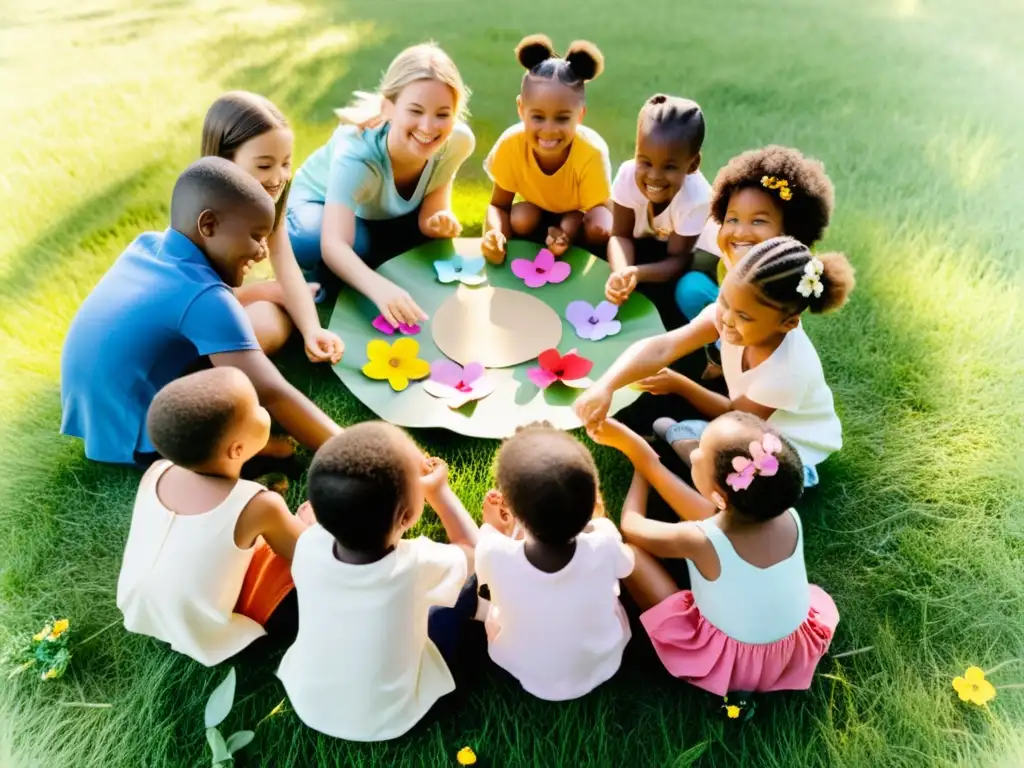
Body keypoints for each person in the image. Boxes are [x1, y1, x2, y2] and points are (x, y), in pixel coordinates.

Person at [60, 157, 341, 465]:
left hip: (97, 418)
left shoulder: (149, 245)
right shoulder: (204, 296)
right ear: (208, 225)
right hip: (144, 435)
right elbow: (272, 392)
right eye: (255, 236)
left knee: (258, 331)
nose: (262, 251)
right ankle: (244, 453)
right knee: (256, 417)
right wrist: (349, 448)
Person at [588, 413, 838, 696]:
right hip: (789, 651)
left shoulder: (698, 540)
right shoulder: (787, 515)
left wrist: (641, 464)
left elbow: (631, 526)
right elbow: (713, 516)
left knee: (629, 554)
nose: (693, 454)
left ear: (719, 497)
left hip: (732, 663)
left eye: (699, 452)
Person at [576, 236, 855, 487]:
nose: (726, 319)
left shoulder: (787, 373)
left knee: (720, 468)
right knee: (695, 442)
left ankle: (676, 450)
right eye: (724, 300)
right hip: (747, 420)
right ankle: (678, 435)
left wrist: (680, 384)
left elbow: (735, 416)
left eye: (744, 316)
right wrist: (606, 386)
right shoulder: (728, 314)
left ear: (788, 323)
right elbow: (664, 347)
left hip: (786, 448)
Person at [277, 423, 481, 742]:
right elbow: (473, 550)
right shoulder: (416, 565)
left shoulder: (307, 544)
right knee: (466, 593)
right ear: (407, 516)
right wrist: (439, 491)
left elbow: (318, 528)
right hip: (390, 717)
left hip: (311, 700)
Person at [116, 368, 312, 666]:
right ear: (236, 450)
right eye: (256, 407)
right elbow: (309, 555)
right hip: (212, 632)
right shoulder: (259, 505)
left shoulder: (157, 472)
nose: (263, 410)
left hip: (149, 615)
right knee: (317, 571)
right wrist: (312, 523)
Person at [286, 43, 475, 329]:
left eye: (442, 113)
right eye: (415, 110)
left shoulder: (457, 142)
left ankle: (376, 243)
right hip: (318, 203)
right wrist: (380, 289)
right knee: (343, 242)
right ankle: (342, 266)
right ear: (388, 106)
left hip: (374, 210)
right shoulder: (358, 155)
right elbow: (334, 244)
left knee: (401, 240)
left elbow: (435, 192)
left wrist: (436, 220)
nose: (429, 126)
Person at [475, 423, 633, 701]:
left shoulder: (493, 551)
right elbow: (627, 566)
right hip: (600, 663)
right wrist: (599, 522)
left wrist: (492, 527)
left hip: (522, 664)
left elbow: (486, 559)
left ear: (510, 510)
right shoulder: (605, 540)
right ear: (594, 505)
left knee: (492, 609)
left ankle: (521, 530)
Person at [201, 91, 344, 364]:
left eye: (286, 163)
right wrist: (265, 291)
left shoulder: (267, 204)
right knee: (267, 315)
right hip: (195, 319)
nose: (278, 177)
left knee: (276, 320)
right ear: (224, 161)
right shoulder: (207, 219)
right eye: (265, 165)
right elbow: (200, 299)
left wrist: (312, 330)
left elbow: (286, 263)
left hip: (224, 309)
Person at [481, 34, 611, 264]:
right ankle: (547, 242)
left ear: (580, 115)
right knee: (521, 218)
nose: (549, 130)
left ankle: (578, 251)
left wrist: (569, 231)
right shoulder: (511, 144)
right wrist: (495, 235)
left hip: (579, 216)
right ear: (521, 109)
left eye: (562, 119)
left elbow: (599, 210)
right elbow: (498, 205)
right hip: (535, 211)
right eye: (538, 117)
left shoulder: (591, 152)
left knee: (600, 225)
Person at [675, 145, 837, 323]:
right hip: (728, 309)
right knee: (691, 288)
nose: (740, 232)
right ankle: (717, 340)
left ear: (788, 232)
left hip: (760, 327)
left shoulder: (784, 276)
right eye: (733, 220)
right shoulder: (729, 249)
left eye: (758, 221)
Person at [604, 94, 711, 328]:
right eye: (645, 162)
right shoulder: (627, 176)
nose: (654, 175)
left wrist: (638, 274)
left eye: (670, 167)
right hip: (637, 245)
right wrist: (622, 273)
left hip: (673, 262)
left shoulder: (697, 199)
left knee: (670, 302)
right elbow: (619, 234)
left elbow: (678, 259)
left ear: (692, 165)